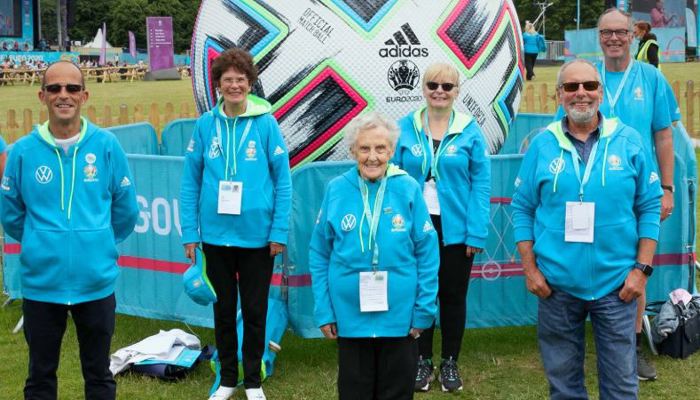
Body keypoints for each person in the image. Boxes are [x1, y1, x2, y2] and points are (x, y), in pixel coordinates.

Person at [513, 58, 663, 400]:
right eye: (571, 87)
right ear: (559, 95)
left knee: (622, 387)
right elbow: (522, 207)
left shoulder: (629, 140)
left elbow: (650, 206)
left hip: (616, 286)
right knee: (564, 387)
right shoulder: (542, 144)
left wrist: (641, 270)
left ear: (601, 92)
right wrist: (530, 270)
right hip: (557, 287)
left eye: (590, 86)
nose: (581, 93)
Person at [0, 60, 138, 400]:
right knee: (40, 377)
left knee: (99, 375)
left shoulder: (106, 146)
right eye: (55, 88)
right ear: (42, 96)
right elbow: (11, 214)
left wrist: (98, 241)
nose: (64, 95)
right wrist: (39, 241)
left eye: (72, 88)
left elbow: (126, 210)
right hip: (42, 286)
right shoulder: (21, 152)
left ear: (84, 95)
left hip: (96, 284)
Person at [180, 48, 291, 400]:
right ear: (218, 85)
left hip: (258, 237)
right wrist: (190, 233)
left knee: (256, 311)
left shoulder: (266, 124)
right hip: (214, 237)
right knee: (223, 311)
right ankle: (228, 378)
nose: (234, 86)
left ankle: (254, 381)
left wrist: (278, 232)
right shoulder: (205, 125)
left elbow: (284, 181)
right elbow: (190, 182)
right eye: (227, 80)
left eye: (240, 80)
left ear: (250, 83)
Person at [309, 112, 439, 400]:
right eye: (365, 148)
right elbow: (319, 253)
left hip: (401, 317)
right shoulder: (337, 189)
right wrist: (324, 310)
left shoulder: (407, 188)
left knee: (396, 393)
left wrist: (424, 309)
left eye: (380, 148)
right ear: (353, 150)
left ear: (392, 151)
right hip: (350, 315)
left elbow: (428, 253)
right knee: (354, 392)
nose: (372, 157)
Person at [392, 62, 491, 393]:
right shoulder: (405, 127)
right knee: (421, 294)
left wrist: (476, 231)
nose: (439, 91)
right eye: (433, 84)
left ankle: (450, 361)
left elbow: (481, 184)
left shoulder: (469, 129)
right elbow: (391, 177)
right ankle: (422, 361)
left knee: (452, 296)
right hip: (413, 227)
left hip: (456, 227)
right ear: (423, 88)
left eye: (447, 86)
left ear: (457, 91)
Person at [597, 8, 675, 381]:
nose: (613, 38)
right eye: (606, 32)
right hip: (591, 189)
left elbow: (663, 134)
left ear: (633, 35)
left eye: (620, 32)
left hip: (639, 191)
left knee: (636, 267)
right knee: (590, 260)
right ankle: (594, 342)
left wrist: (667, 187)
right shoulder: (585, 78)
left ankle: (632, 348)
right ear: (599, 36)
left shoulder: (652, 78)